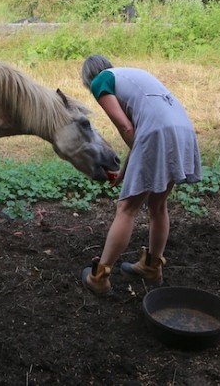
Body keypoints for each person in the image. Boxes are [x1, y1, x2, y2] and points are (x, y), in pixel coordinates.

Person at [79, 54, 202, 295]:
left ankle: (100, 277)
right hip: (182, 130)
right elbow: (142, 131)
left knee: (126, 209)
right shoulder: (131, 74)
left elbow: (126, 127)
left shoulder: (100, 82)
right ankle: (151, 267)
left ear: (89, 79)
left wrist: (136, 162)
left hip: (157, 133)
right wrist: (126, 171)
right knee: (157, 206)